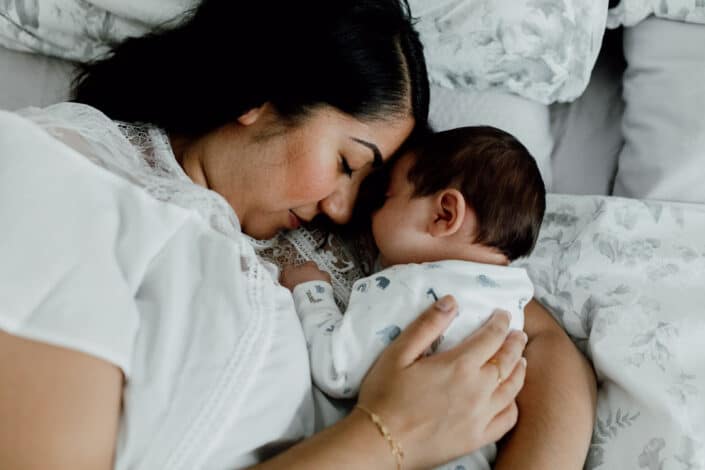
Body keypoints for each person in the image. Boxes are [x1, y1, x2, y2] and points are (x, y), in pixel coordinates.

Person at [0, 1, 594, 469]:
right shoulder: (64, 170)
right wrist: (388, 437)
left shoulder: (365, 241)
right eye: (344, 163)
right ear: (261, 97)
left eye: (368, 184)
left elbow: (544, 349)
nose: (341, 208)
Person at [281, 126, 595, 469]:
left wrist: (311, 290)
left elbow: (336, 368)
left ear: (444, 213)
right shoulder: (513, 298)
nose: (370, 212)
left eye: (386, 197)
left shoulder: (410, 289)